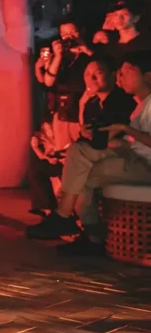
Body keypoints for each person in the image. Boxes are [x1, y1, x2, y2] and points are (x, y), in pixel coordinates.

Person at [26, 51, 151, 255]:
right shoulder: (140, 105)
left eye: (128, 71)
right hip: (135, 158)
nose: (122, 77)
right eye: (120, 72)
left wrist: (124, 129)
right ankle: (86, 232)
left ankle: (69, 220)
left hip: (145, 166)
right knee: (79, 161)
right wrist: (110, 139)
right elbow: (135, 143)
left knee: (81, 172)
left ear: (147, 75)